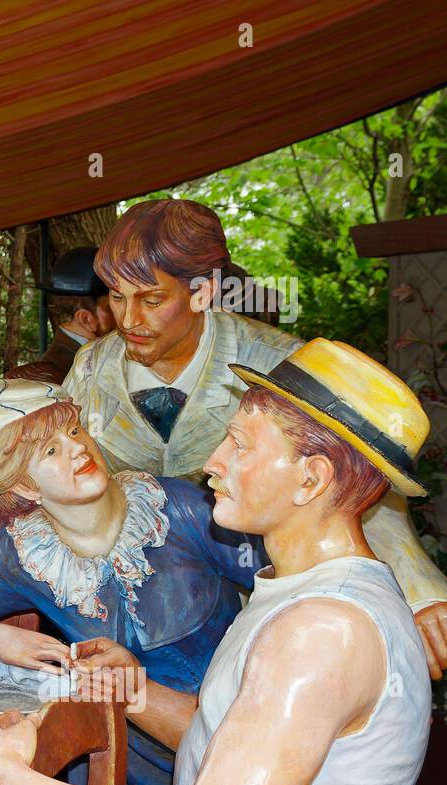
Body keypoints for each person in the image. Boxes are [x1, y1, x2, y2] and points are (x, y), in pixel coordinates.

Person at [0, 340, 432, 785]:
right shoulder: (305, 592)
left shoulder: (322, 630)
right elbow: (231, 738)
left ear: (310, 479)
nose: (213, 462)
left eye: (240, 445)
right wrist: (133, 691)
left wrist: (1, 774)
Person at [64, 198, 447, 681]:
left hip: (257, 623)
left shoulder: (281, 366)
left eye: (151, 299)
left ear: (203, 291)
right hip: (123, 626)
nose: (128, 319)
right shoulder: (91, 368)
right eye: (116, 297)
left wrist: (420, 589)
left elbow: (360, 481)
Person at [0, 379, 262, 785]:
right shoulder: (24, 552)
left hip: (232, 744)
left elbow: (290, 587)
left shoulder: (181, 509)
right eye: (50, 450)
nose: (77, 449)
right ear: (25, 486)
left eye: (75, 431)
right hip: (118, 762)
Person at [6, 246, 115, 384]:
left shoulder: (95, 357)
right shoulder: (58, 373)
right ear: (86, 319)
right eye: (110, 307)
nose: (124, 315)